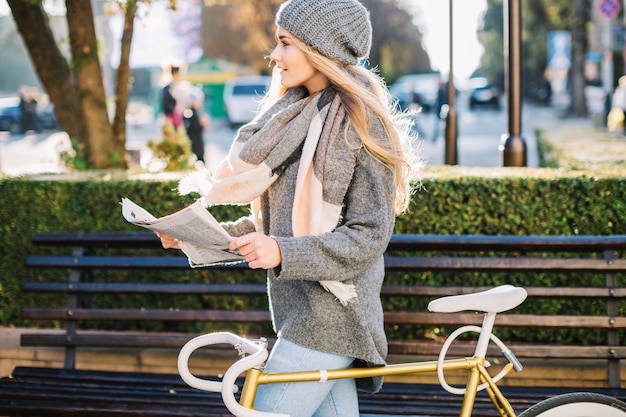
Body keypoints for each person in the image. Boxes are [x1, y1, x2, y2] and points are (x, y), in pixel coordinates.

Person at [157, 0, 419, 415]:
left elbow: (368, 236)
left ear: (321, 48)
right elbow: (271, 226)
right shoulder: (289, 120)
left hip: (332, 320)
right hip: (301, 317)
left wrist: (282, 252)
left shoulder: (359, 124)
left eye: (285, 43)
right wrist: (197, 238)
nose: (274, 55)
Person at [183, 87, 211, 163]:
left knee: (200, 157)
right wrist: (201, 123)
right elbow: (190, 127)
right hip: (193, 142)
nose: (200, 103)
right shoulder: (189, 112)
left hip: (198, 141)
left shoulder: (197, 112)